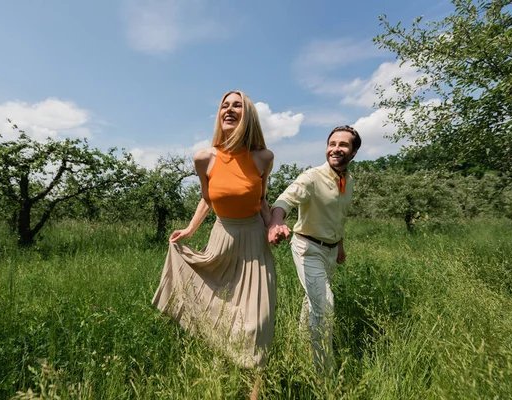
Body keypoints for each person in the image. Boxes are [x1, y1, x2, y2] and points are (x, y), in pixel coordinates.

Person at [152, 90, 276, 373]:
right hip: (222, 239)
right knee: (221, 310)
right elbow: (207, 199)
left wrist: (274, 226)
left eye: (238, 106)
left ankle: (255, 383)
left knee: (259, 319)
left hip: (255, 243)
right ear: (219, 114)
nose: (230, 110)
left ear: (249, 117)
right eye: (225, 106)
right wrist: (190, 228)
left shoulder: (263, 158)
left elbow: (262, 200)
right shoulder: (204, 158)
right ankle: (225, 368)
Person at [267, 125, 361, 374]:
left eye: (343, 145)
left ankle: (301, 347)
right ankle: (323, 373)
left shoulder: (348, 181)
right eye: (332, 144)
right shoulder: (311, 177)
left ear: (353, 153)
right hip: (307, 247)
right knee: (325, 304)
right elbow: (285, 200)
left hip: (330, 250)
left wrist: (339, 245)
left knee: (313, 300)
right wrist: (277, 221)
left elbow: (339, 216)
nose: (336, 149)